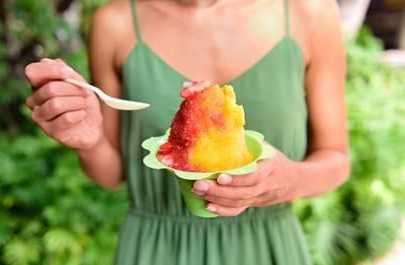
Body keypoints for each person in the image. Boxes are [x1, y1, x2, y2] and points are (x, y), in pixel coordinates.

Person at [24, 0, 349, 264]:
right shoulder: (116, 23)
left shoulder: (310, 13)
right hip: (156, 249)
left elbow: (336, 159)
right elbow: (111, 175)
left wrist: (288, 180)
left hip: (267, 247)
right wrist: (88, 140)